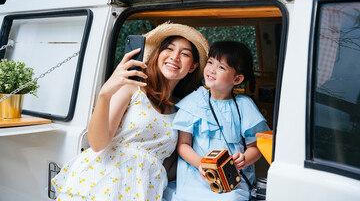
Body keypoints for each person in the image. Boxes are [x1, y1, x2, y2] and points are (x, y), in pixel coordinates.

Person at [51, 22, 210, 201]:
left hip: (144, 189)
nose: (174, 57)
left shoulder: (182, 108)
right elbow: (97, 144)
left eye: (185, 53)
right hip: (102, 182)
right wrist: (105, 93)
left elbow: (170, 166)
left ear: (193, 66)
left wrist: (203, 170)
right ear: (158, 55)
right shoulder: (132, 89)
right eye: (169, 49)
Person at [171, 41, 270, 201]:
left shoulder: (244, 106)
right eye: (210, 62)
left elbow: (255, 147)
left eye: (221, 67)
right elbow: (183, 145)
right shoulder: (194, 102)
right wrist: (200, 164)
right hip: (196, 176)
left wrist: (244, 159)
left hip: (231, 180)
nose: (211, 70)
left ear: (237, 79)